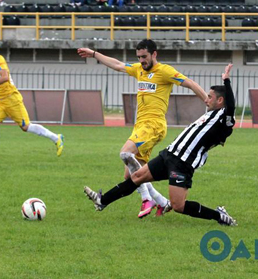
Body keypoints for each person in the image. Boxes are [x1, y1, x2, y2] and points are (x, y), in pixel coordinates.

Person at [83, 64, 237, 227]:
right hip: (169, 154)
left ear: (220, 100)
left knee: (178, 206)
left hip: (183, 162)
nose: (207, 99)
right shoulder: (211, 113)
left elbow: (231, 106)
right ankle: (103, 201)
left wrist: (226, 81)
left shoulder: (225, 118)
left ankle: (218, 215)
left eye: (210, 97)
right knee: (136, 177)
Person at [77, 39, 208, 218]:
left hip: (153, 126)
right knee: (130, 176)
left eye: (144, 57)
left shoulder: (164, 71)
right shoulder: (139, 69)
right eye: (139, 57)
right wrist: (94, 54)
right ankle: (162, 202)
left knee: (125, 153)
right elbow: (117, 65)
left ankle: (147, 199)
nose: (141, 61)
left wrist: (208, 101)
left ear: (154, 54)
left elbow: (190, 83)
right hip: (140, 127)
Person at [0, 36, 64, 160]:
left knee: (26, 127)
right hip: (1, 101)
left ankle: (56, 138)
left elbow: (4, 77)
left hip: (12, 98)